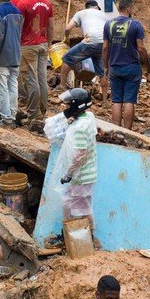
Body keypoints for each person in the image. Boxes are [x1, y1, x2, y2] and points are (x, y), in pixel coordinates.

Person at [102, 0, 150, 130]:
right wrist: (148, 67)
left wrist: (106, 66)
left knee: (116, 100)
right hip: (131, 67)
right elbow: (141, 48)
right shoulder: (136, 24)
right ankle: (127, 133)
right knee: (129, 100)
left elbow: (105, 48)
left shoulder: (108, 24)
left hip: (114, 67)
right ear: (129, 8)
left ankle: (116, 131)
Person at [14, 0, 54, 121]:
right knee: (42, 78)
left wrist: (16, 44)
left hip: (28, 45)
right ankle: (42, 110)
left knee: (31, 79)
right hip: (43, 43)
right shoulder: (47, 3)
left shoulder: (23, 3)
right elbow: (51, 27)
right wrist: (48, 44)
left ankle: (32, 114)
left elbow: (19, 26)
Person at [58, 87, 99, 230]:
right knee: (69, 204)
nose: (66, 107)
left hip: (81, 176)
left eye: (69, 104)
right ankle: (69, 235)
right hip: (85, 174)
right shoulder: (89, 117)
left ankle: (88, 237)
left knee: (83, 210)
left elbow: (79, 155)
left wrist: (68, 174)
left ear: (77, 105)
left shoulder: (80, 129)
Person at [61, 0, 108, 100]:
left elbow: (68, 29)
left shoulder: (81, 13)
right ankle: (105, 101)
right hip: (103, 44)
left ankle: (62, 86)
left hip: (90, 41)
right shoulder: (103, 15)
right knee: (102, 73)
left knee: (66, 58)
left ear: (86, 7)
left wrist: (66, 38)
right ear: (97, 7)